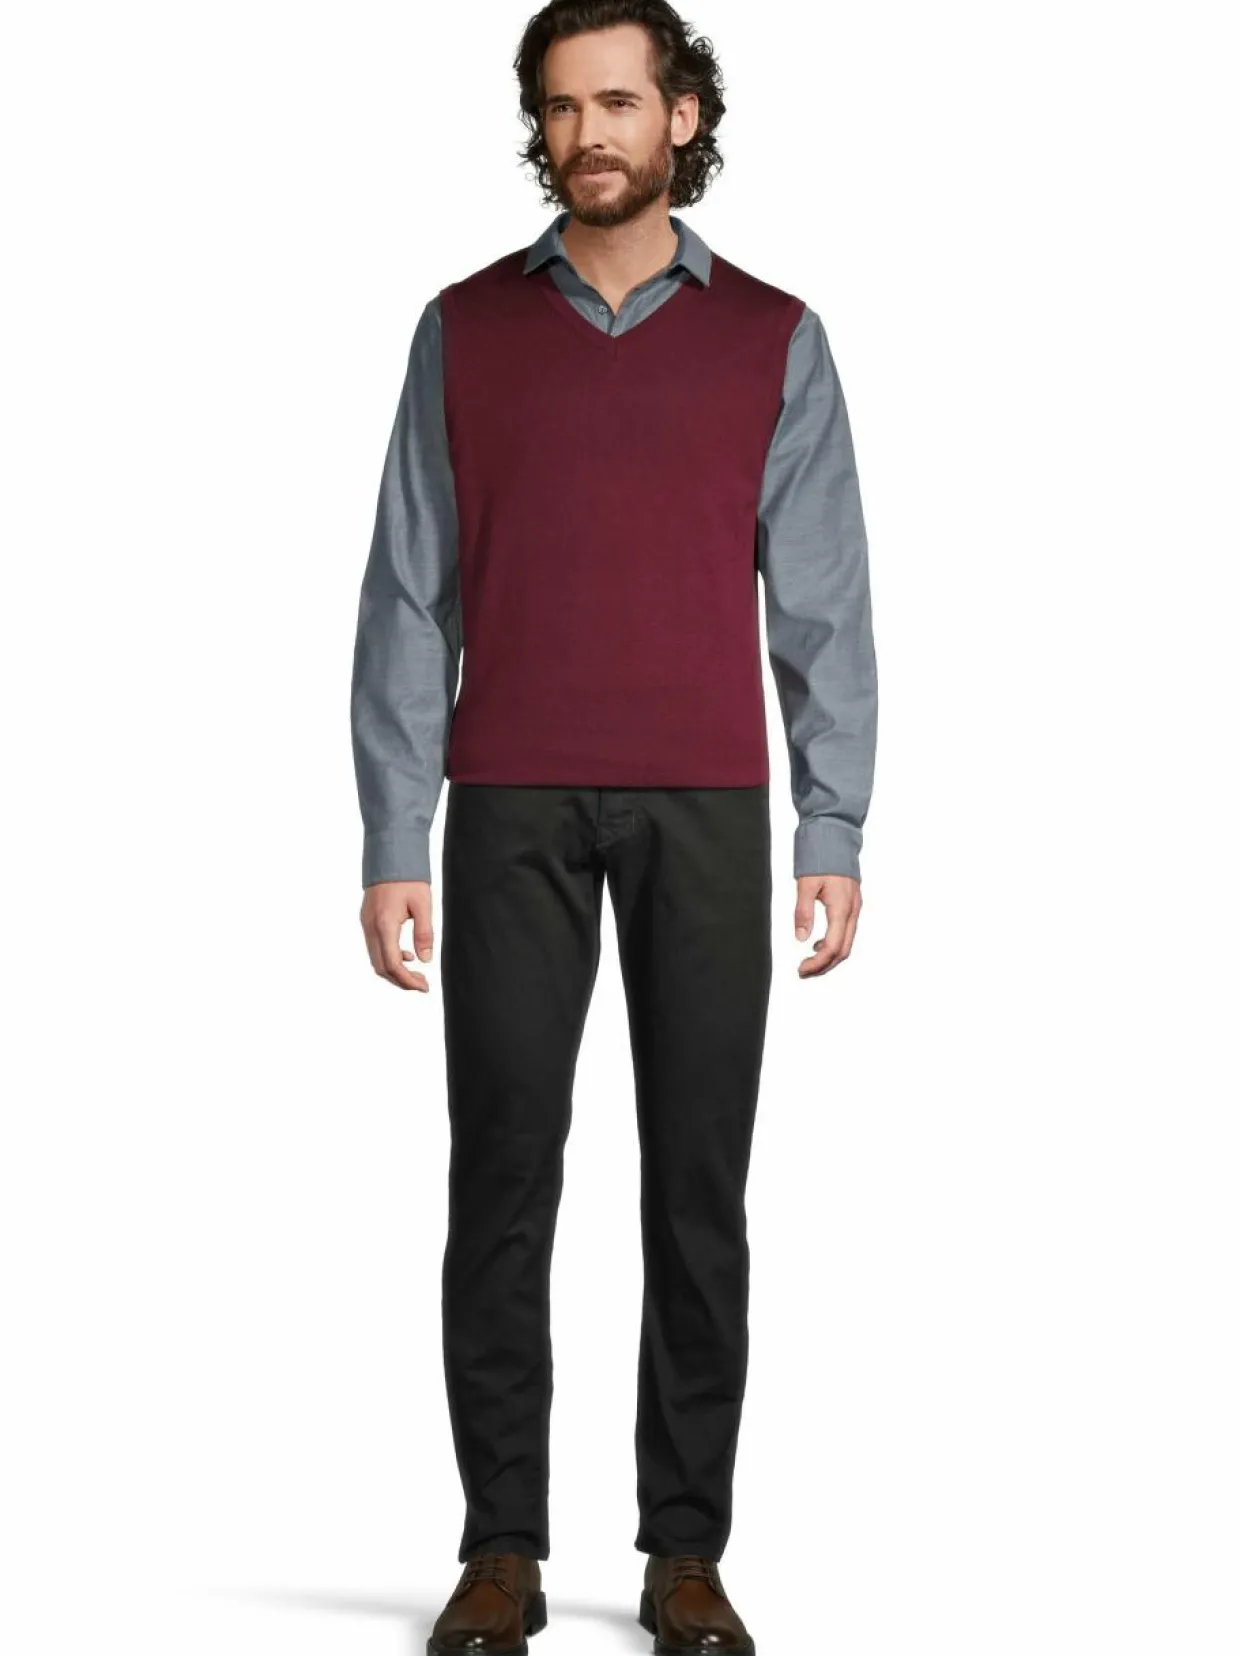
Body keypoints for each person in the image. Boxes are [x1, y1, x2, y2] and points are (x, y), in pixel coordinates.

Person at [350, 2, 878, 1650]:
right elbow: (408, 593)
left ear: (683, 116)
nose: (590, 133)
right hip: (506, 797)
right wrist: (392, 833)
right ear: (541, 126)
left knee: (696, 1188)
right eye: (564, 107)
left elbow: (825, 604)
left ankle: (684, 1554)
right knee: (502, 1175)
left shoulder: (775, 336)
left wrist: (834, 825)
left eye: (621, 102)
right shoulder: (462, 328)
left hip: (709, 804)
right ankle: (501, 1546)